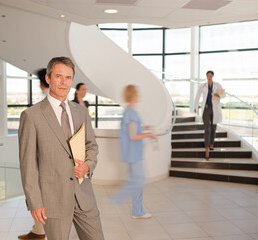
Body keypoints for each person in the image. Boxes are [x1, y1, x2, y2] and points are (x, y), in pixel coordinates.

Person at [18, 57, 104, 240]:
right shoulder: (31, 116)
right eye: (58, 76)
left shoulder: (81, 111)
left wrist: (88, 166)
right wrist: (35, 202)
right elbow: (28, 165)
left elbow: (92, 146)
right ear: (48, 78)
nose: (63, 82)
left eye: (68, 77)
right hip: (53, 199)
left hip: (84, 196)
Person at [111, 85, 157, 219]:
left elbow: (133, 130)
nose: (139, 95)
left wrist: (144, 128)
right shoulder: (131, 113)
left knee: (138, 181)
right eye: (137, 93)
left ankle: (137, 211)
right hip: (134, 154)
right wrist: (149, 134)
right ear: (134, 95)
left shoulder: (129, 112)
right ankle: (118, 199)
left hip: (133, 154)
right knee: (139, 181)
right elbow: (132, 136)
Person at [18, 68, 48, 240]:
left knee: (39, 196)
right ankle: (38, 230)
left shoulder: (37, 109)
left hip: (42, 162)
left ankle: (39, 231)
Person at [194, 70, 225, 160]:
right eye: (208, 76)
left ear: (213, 76)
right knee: (207, 129)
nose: (209, 77)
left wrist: (218, 95)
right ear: (206, 76)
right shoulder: (203, 85)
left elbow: (223, 95)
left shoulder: (217, 85)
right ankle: (207, 148)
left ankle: (212, 143)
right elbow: (197, 95)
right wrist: (195, 106)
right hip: (206, 109)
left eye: (210, 75)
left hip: (214, 108)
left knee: (213, 127)